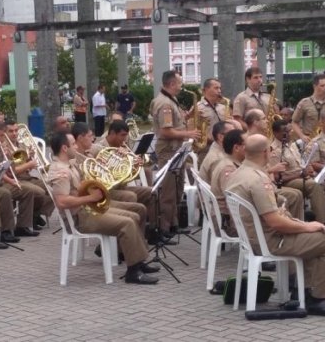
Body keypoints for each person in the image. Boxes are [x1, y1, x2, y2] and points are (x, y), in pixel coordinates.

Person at [226, 134, 325, 317]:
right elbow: (275, 221)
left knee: (317, 239)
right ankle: (317, 299)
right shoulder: (258, 179)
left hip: (252, 238)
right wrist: (307, 227)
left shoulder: (238, 173)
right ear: (266, 152)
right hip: (270, 241)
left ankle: (303, 291)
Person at [47, 132, 158, 284]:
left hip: (88, 208)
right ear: (65, 148)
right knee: (128, 223)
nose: (76, 146)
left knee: (136, 212)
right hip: (80, 217)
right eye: (73, 144)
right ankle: (133, 273)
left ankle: (136, 261)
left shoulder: (69, 164)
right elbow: (61, 202)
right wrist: (91, 198)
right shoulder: (60, 171)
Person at [150, 70, 200, 236]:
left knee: (178, 188)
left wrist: (188, 115)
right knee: (169, 190)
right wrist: (189, 134)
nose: (181, 86)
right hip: (169, 150)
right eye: (179, 83)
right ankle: (164, 227)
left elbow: (175, 122)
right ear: (171, 84)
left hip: (176, 150)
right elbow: (166, 132)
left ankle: (174, 224)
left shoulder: (171, 100)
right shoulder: (165, 104)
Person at [269, 120, 325, 225]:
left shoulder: (292, 145)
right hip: (290, 181)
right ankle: (323, 222)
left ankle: (322, 214)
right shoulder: (274, 150)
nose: (289, 133)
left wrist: (309, 169)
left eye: (290, 130)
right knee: (315, 185)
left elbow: (303, 163)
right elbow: (277, 179)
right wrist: (300, 174)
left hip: (304, 176)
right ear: (276, 133)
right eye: (285, 131)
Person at [5, 120, 54, 229]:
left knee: (52, 188)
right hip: (15, 179)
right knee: (39, 192)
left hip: (26, 177)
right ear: (5, 133)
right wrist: (29, 164)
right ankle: (27, 221)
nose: (14, 133)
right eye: (11, 131)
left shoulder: (20, 144)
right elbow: (12, 172)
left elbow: (25, 165)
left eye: (16, 130)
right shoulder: (5, 148)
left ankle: (34, 216)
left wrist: (29, 158)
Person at [210, 129, 245, 237]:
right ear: (236, 148)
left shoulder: (229, 162)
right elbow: (232, 200)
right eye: (246, 145)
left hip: (226, 217)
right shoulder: (228, 168)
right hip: (226, 222)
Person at [291, 74, 325, 144]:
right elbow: (294, 122)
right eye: (322, 86)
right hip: (309, 140)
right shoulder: (304, 102)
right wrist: (302, 136)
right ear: (314, 86)